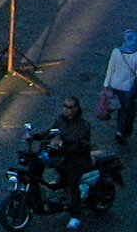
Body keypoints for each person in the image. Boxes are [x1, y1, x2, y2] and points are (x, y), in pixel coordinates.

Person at [49, 96, 94, 228]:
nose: (66, 109)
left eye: (69, 107)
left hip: (79, 158)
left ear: (76, 108)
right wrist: (34, 136)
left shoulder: (82, 124)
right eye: (64, 106)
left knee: (73, 183)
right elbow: (50, 132)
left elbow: (77, 139)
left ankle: (76, 215)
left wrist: (63, 141)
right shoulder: (60, 120)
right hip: (65, 156)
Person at [104, 31, 137, 145]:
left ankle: (120, 130)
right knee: (128, 111)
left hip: (115, 85)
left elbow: (110, 68)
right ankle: (123, 132)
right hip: (129, 88)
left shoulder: (116, 52)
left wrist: (106, 84)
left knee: (120, 109)